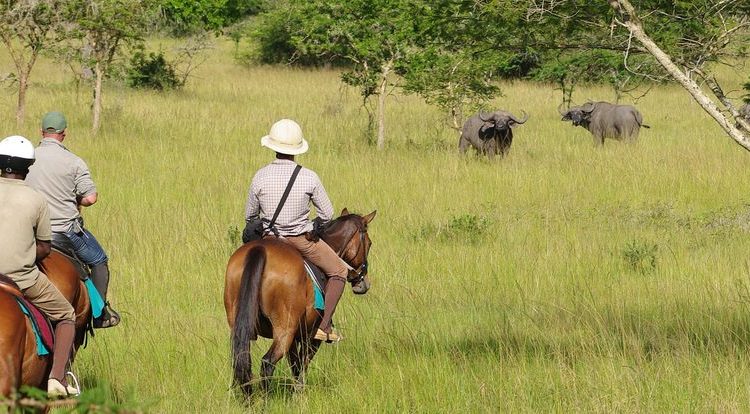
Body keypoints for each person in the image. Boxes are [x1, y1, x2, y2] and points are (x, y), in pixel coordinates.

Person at [245, 118, 348, 343]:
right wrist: (312, 225)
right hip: (300, 239)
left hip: (269, 239)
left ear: (272, 146)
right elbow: (327, 214)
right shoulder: (309, 177)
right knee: (340, 271)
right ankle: (323, 326)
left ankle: (250, 322)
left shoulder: (260, 176)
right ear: (297, 149)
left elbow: (250, 217)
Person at [0, 135, 80, 397]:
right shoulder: (36, 199)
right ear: (28, 167)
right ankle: (57, 378)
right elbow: (45, 248)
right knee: (67, 314)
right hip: (20, 277)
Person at [25, 112, 120, 329]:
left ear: (42, 132)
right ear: (63, 134)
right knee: (99, 261)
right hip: (64, 231)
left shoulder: (28, 158)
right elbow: (90, 198)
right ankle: (100, 314)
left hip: (29, 230)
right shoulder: (74, 161)